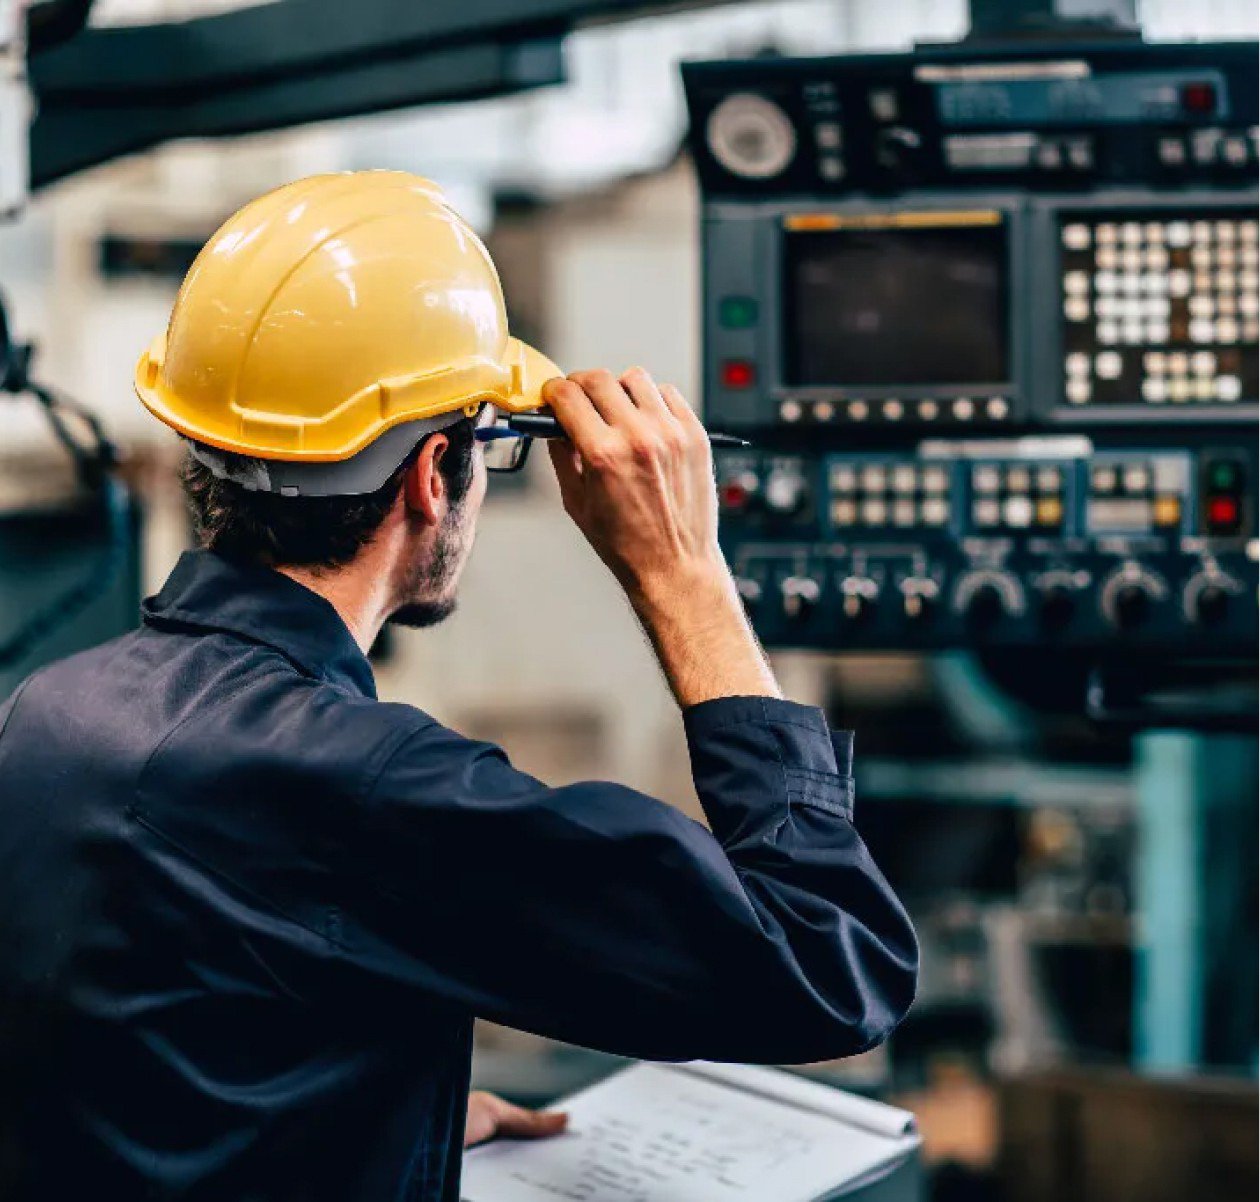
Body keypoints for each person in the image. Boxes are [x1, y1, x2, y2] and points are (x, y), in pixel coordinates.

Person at [0, 172, 917, 1202]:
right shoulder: (364, 786)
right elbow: (834, 961)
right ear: (438, 471)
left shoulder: (50, 710)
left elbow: (132, 1049)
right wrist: (684, 571)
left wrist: (370, 1108)